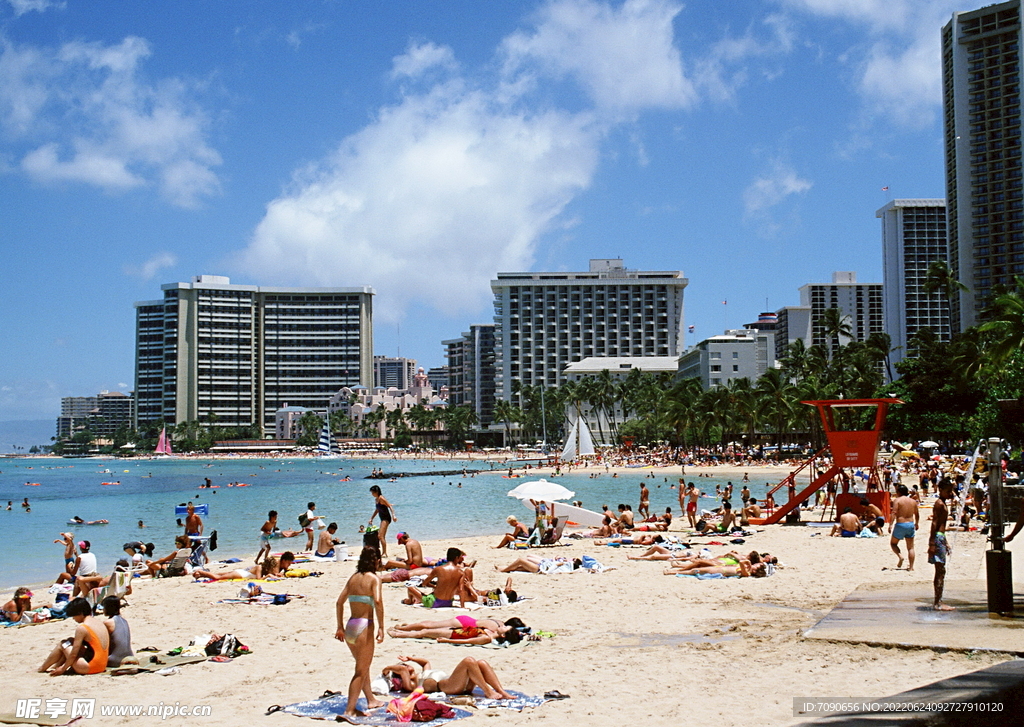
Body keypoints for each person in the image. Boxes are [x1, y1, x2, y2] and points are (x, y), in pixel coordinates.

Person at [335, 547, 385, 722]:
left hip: (351, 626)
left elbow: (339, 603)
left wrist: (339, 627)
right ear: (376, 561)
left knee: (363, 666)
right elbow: (377, 602)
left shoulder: (353, 578)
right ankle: (350, 710)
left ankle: (370, 699)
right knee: (360, 671)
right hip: (365, 626)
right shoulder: (374, 579)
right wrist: (381, 627)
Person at [382, 655, 514, 700]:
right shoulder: (410, 685)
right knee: (469, 661)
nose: (407, 665)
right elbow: (401, 669)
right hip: (449, 687)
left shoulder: (421, 674)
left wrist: (411, 658)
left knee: (481, 663)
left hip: (457, 683)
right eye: (405, 665)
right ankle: (488, 691)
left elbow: (425, 662)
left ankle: (500, 691)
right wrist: (387, 668)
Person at [37, 598, 109, 676]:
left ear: (80, 613)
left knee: (63, 644)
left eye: (74, 616)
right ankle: (56, 666)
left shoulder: (82, 628)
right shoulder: (99, 623)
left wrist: (63, 669)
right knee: (70, 640)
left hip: (89, 667)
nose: (73, 618)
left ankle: (43, 668)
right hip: (102, 665)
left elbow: (73, 654)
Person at [387, 615, 525, 646]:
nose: (504, 626)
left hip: (463, 625)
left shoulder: (493, 630)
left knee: (428, 627)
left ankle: (401, 630)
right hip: (463, 626)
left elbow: (471, 640)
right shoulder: (494, 630)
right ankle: (401, 630)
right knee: (427, 627)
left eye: (506, 628)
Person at [405, 548, 471, 608]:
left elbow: (424, 583)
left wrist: (434, 586)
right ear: (457, 558)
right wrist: (462, 606)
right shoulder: (461, 572)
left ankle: (410, 601)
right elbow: (461, 590)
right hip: (448, 603)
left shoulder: (438, 569)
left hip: (433, 603)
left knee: (410, 588)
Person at [929, 479, 955, 611]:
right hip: (937, 538)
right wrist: (932, 543)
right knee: (940, 571)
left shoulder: (943, 503)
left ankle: (938, 600)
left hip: (941, 537)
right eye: (948, 491)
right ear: (941, 490)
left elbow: (941, 525)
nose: (950, 493)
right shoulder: (939, 504)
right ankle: (937, 602)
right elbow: (934, 523)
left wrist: (946, 542)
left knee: (941, 571)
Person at [192, 552, 295, 581]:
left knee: (219, 574)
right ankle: (201, 572)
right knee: (218, 577)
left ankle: (200, 575)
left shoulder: (274, 566)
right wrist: (267, 576)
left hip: (242, 573)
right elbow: (259, 579)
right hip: (241, 574)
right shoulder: (259, 568)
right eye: (289, 562)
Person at [889, 484, 919, 571]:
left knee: (893, 543)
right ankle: (911, 567)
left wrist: (891, 524)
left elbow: (894, 512)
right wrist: (917, 523)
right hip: (910, 524)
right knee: (910, 547)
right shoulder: (913, 501)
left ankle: (900, 556)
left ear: (898, 492)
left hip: (901, 524)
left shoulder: (897, 500)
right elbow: (917, 514)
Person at [101, 595, 135, 668]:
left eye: (104, 607)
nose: (103, 609)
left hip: (115, 660)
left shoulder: (108, 623)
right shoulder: (125, 621)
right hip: (130, 657)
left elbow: (102, 643)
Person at [368, 486, 396, 556]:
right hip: (382, 518)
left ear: (376, 492)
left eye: (372, 492)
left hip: (386, 518)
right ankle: (382, 552)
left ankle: (384, 553)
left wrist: (394, 516)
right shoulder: (376, 499)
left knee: (380, 536)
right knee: (380, 536)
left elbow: (390, 506)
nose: (372, 494)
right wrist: (371, 518)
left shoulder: (381, 498)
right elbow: (377, 510)